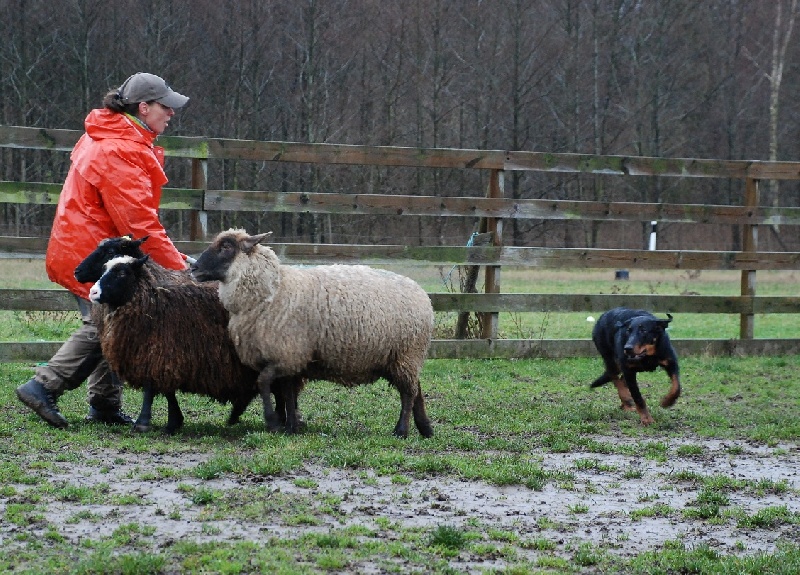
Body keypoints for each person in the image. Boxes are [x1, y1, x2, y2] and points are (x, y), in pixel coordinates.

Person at [15, 72, 191, 428]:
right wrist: (178, 267)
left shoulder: (116, 137)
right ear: (144, 107)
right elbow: (138, 223)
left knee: (113, 318)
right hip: (91, 253)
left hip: (87, 245)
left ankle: (105, 405)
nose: (171, 113)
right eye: (165, 107)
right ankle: (42, 386)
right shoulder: (120, 149)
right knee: (105, 323)